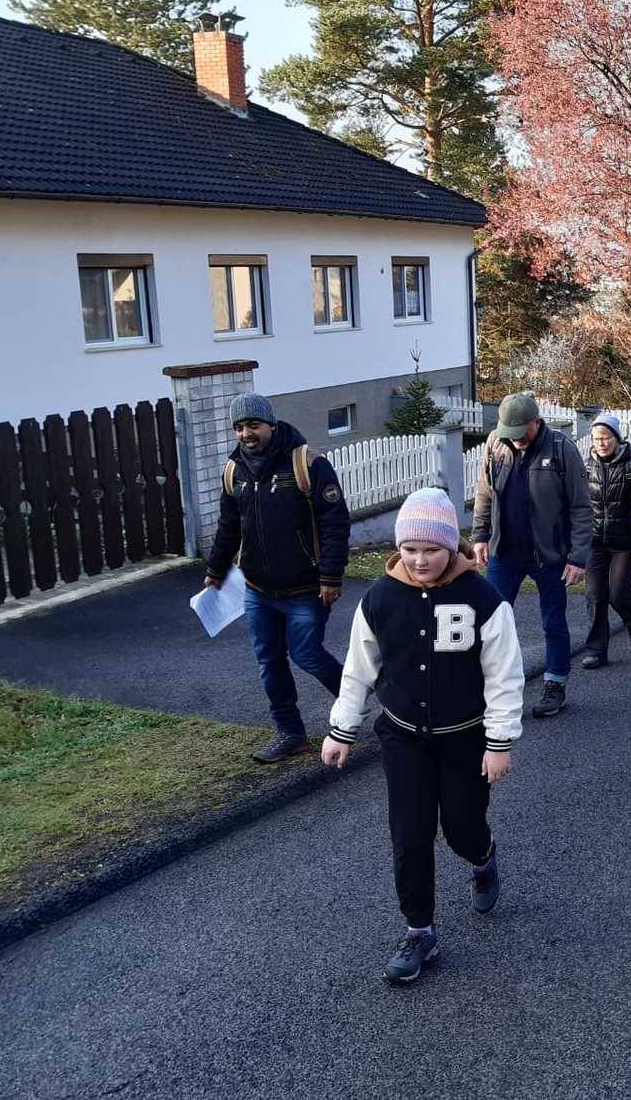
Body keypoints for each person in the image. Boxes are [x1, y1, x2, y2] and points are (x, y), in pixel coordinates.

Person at [321, 488, 524, 985]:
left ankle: (483, 858)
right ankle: (419, 931)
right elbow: (358, 669)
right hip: (404, 738)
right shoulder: (379, 599)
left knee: (461, 828)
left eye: (431, 550)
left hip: (465, 739)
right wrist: (342, 730)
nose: (419, 560)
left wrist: (499, 742)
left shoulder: (482, 599)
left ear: (451, 546)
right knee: (409, 834)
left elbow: (504, 675)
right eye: (409, 550)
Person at [204, 393, 351, 764]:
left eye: (253, 425)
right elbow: (229, 525)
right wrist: (215, 570)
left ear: (270, 424)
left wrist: (331, 577)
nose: (246, 434)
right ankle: (290, 734)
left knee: (308, 655)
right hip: (257, 590)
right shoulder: (234, 470)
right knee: (269, 661)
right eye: (239, 427)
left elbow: (334, 523)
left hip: (305, 589)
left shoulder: (307, 464)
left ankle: (356, 705)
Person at [471, 391, 592, 719]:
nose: (516, 439)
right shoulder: (496, 444)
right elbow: (485, 493)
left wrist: (577, 557)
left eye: (521, 431)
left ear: (537, 422)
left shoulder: (562, 450)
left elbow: (581, 507)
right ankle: (488, 689)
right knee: (491, 623)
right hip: (505, 552)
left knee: (553, 621)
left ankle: (555, 683)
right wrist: (480, 536)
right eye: (510, 432)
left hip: (550, 554)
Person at [582, 413, 631, 669]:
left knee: (619, 595)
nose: (601, 443)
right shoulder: (587, 466)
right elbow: (579, 504)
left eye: (606, 437)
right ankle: (596, 651)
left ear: (617, 438)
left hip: (625, 542)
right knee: (595, 596)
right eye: (596, 438)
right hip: (594, 541)